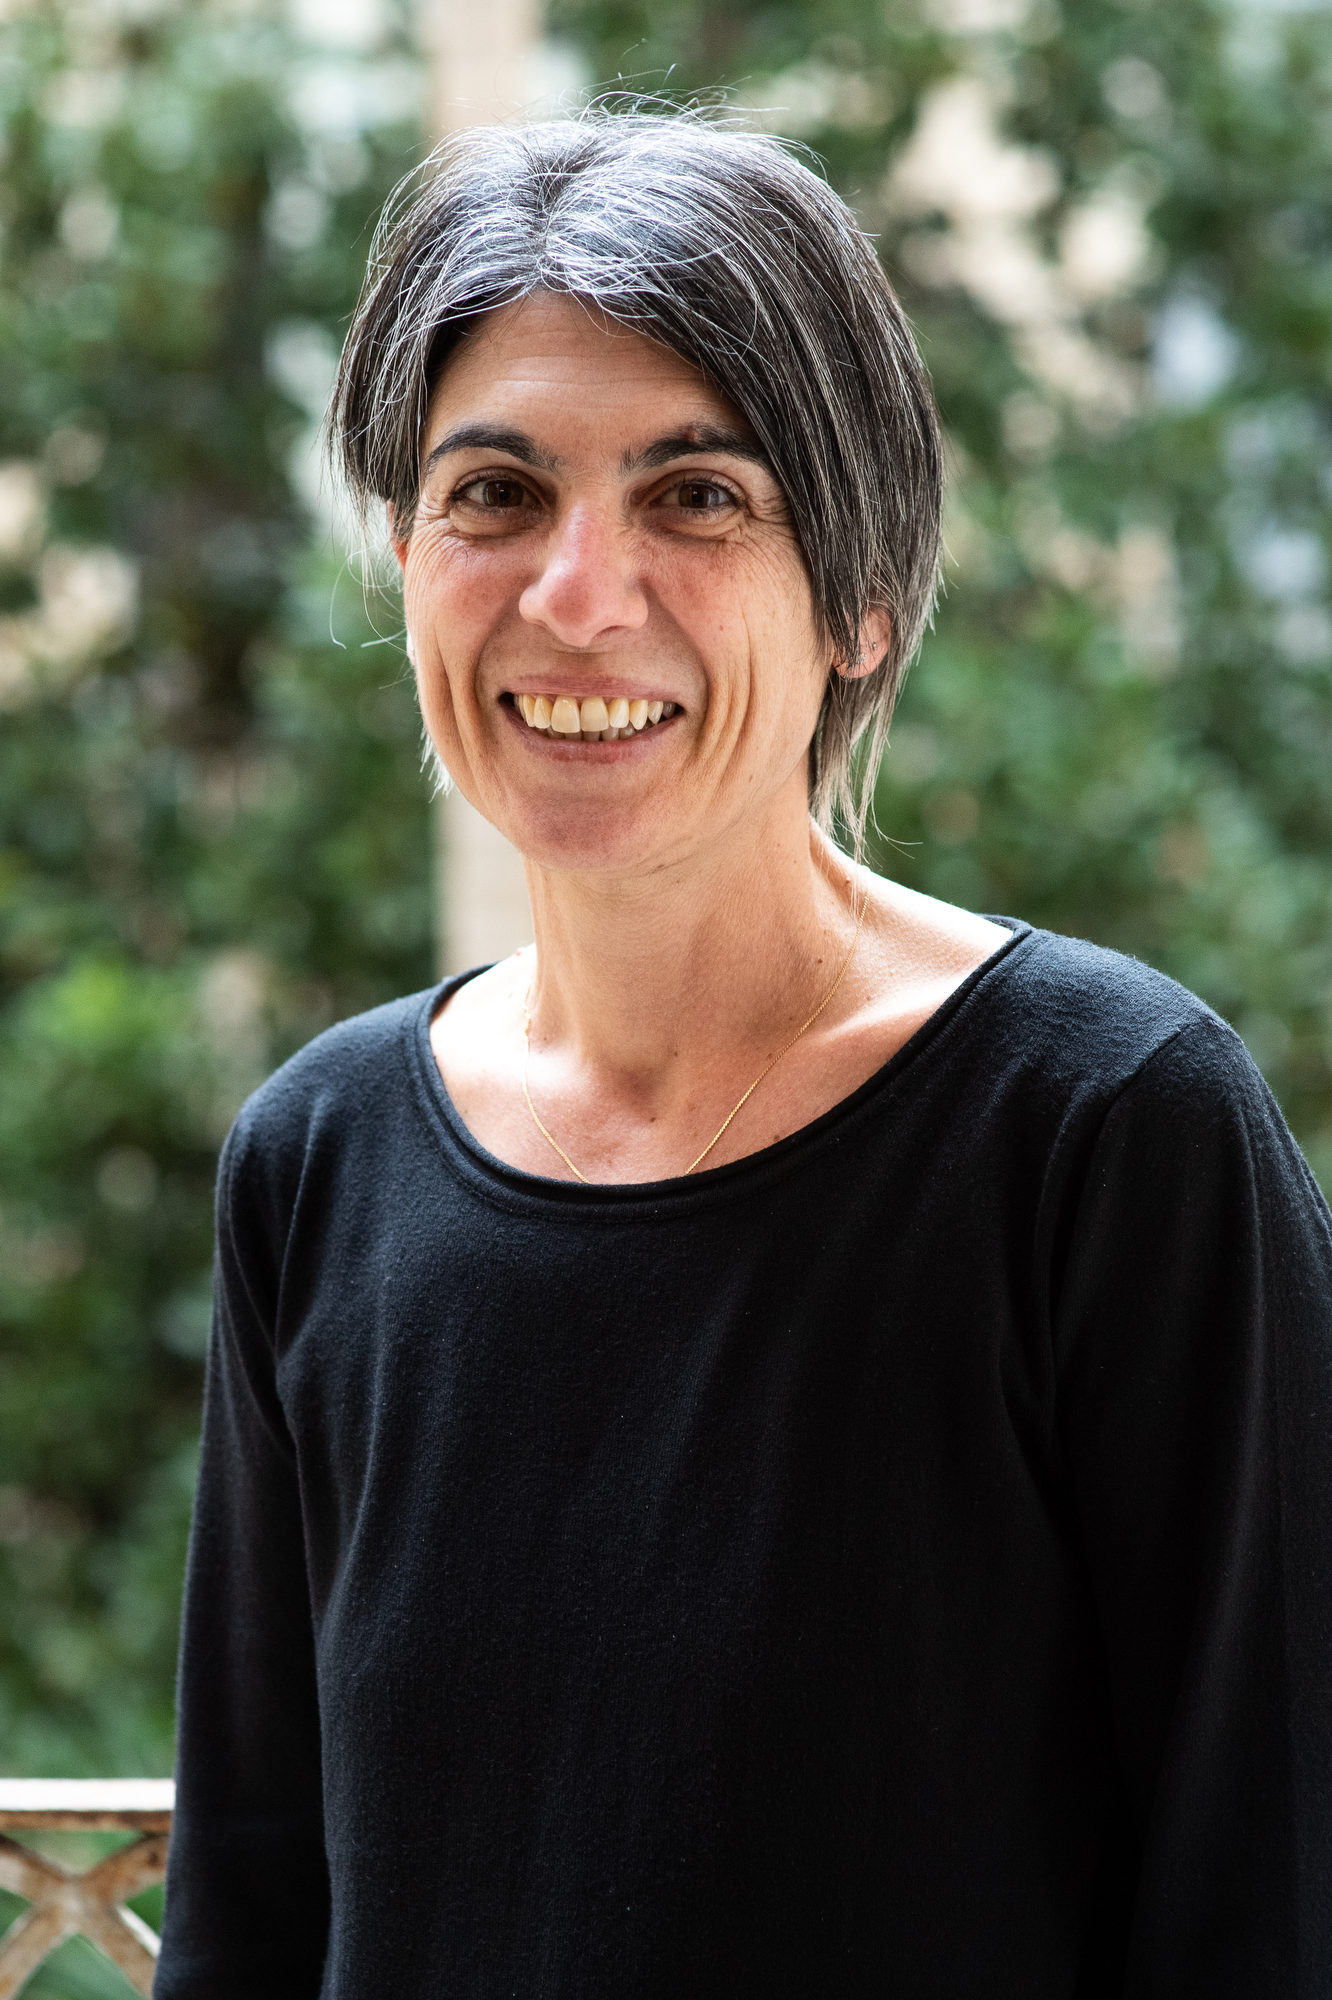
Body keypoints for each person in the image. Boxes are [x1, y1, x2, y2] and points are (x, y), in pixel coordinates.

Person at [154, 112, 1332, 1999]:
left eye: (698, 497)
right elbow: (247, 1910)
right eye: (494, 493)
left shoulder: (1109, 1131)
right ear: (406, 558)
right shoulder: (319, 1161)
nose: (576, 595)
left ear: (861, 597)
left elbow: (1268, 1900)